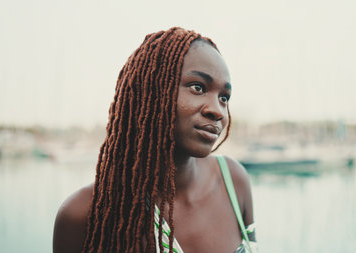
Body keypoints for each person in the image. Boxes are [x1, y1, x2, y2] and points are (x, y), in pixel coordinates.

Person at [53, 27, 257, 253]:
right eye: (198, 87)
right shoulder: (84, 213)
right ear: (151, 90)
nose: (217, 110)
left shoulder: (233, 181)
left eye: (224, 98)